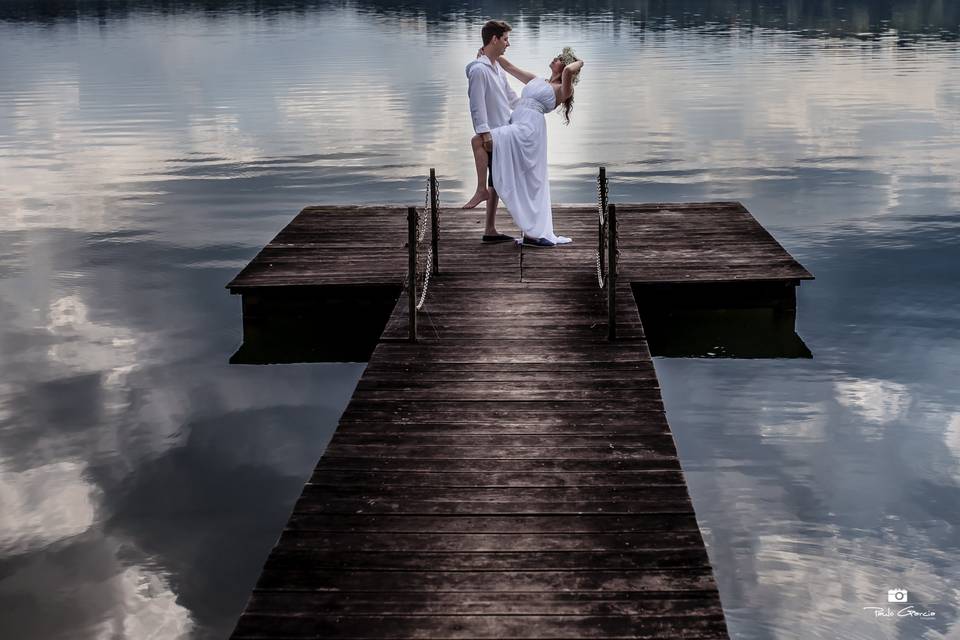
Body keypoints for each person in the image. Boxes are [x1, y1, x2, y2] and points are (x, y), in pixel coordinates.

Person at [482, 48, 584, 247]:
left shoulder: (564, 88)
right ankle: (498, 229)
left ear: (564, 65)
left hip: (529, 131)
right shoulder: (537, 80)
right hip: (516, 123)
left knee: (530, 179)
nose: (554, 58)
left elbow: (568, 72)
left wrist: (580, 62)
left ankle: (532, 232)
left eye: (559, 58)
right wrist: (489, 52)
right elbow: (508, 66)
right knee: (498, 164)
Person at [463, 20, 518, 243]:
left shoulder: (496, 68)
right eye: (505, 39)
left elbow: (511, 97)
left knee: (496, 181)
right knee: (478, 142)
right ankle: (481, 196)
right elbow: (476, 104)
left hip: (506, 130)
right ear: (494, 39)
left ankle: (489, 229)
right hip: (495, 133)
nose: (508, 44)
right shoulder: (479, 70)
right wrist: (484, 132)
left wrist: (533, 108)